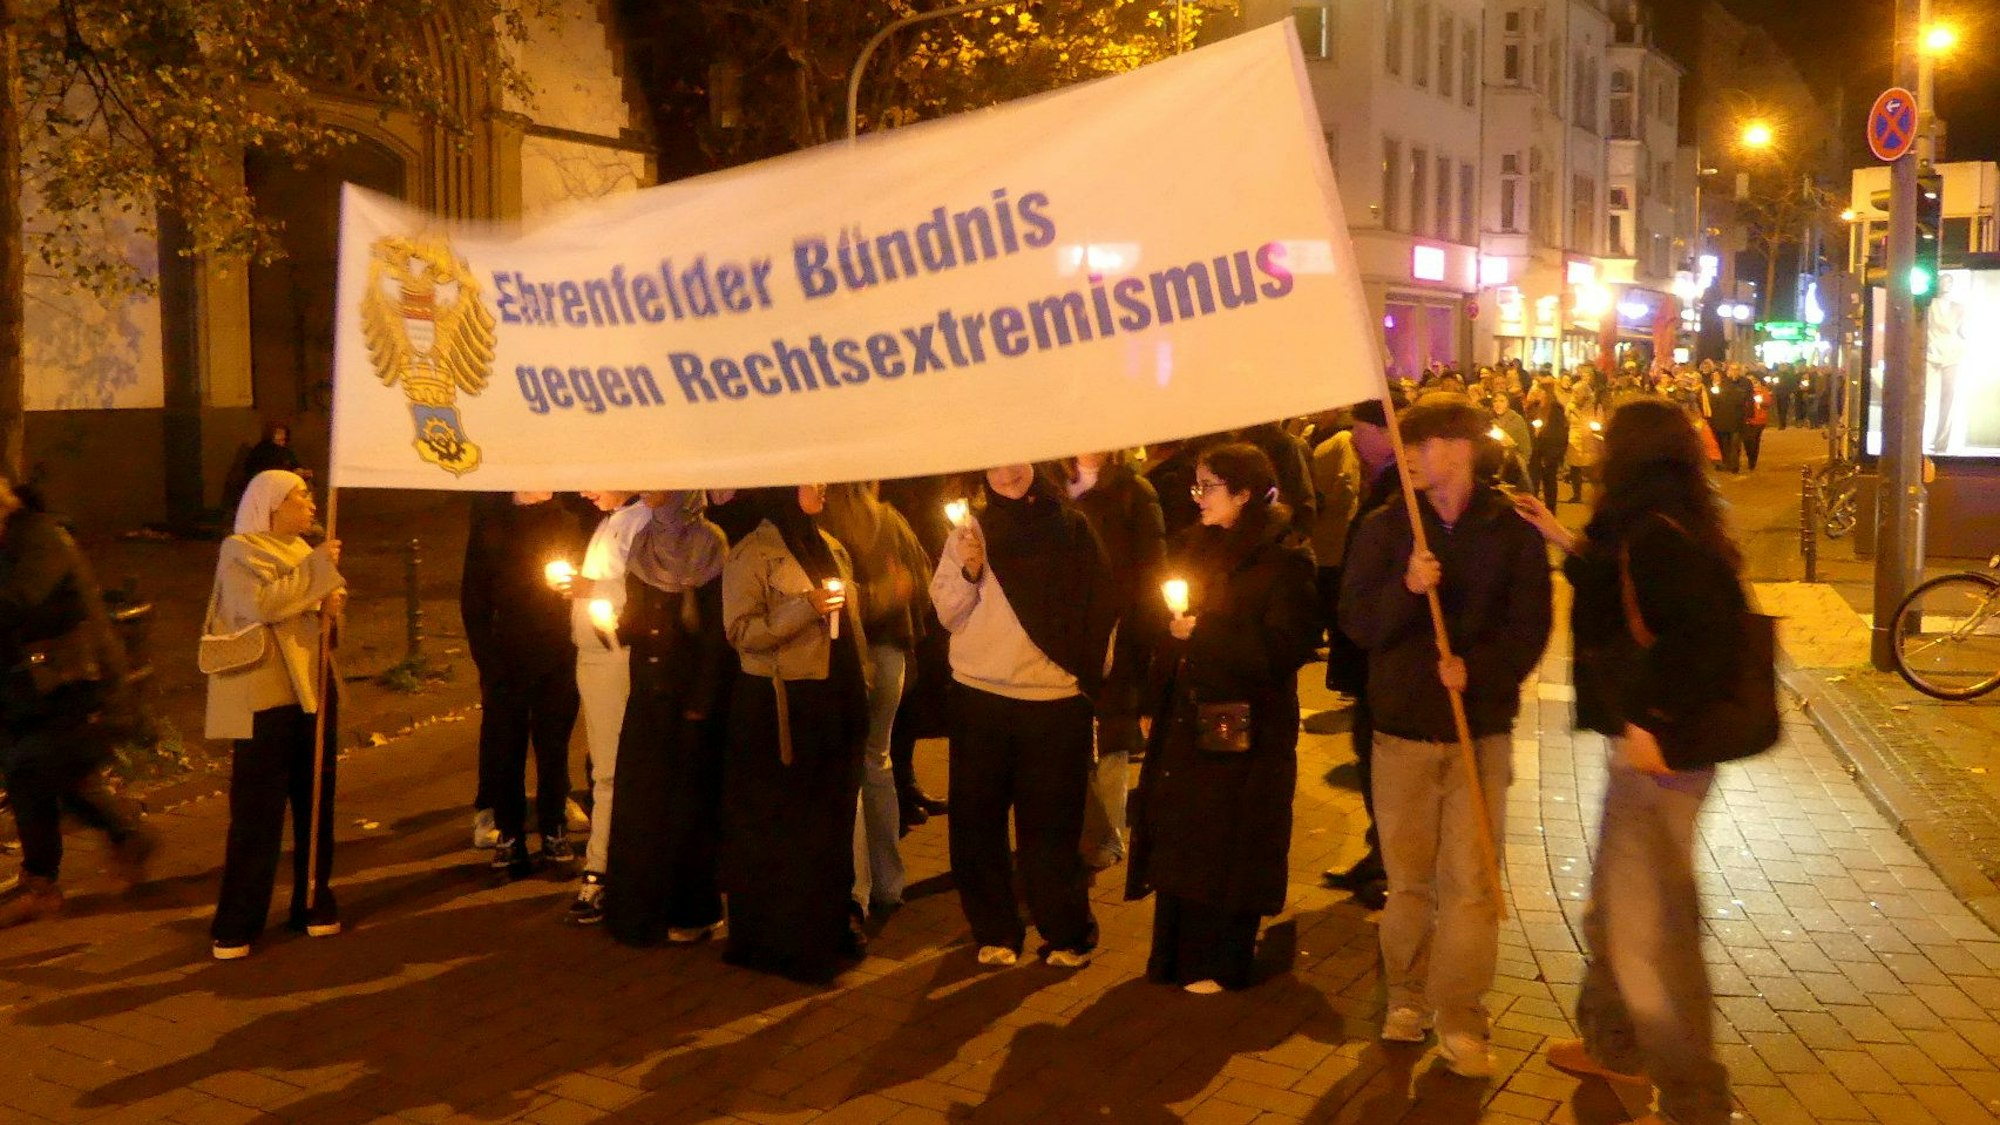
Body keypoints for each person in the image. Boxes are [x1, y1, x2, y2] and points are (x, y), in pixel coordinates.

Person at [1510, 398, 1741, 1125]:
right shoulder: (1652, 521)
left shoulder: (1655, 531)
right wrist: (1562, 541)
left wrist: (1654, 720)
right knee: (1614, 908)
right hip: (1648, 748)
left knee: (1651, 940)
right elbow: (1620, 589)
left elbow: (1704, 634)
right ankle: (1613, 1046)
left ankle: (1693, 1099)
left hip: (1659, 753)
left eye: (1610, 436)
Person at [1339, 395, 1552, 1078]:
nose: (1408, 458)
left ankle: (1460, 1013)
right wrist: (1406, 587)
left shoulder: (1510, 529)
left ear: (1455, 449)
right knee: (1408, 882)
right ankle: (1405, 994)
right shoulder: (1384, 526)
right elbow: (1356, 624)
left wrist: (1479, 672)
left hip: (1477, 734)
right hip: (1401, 730)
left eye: (1420, 445)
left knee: (1471, 885)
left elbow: (1530, 624)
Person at [1127, 443, 1318, 992]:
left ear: (1243, 493)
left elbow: (1286, 647)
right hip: (1187, 712)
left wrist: (1205, 634)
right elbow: (1170, 630)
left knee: (1228, 833)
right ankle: (1174, 954)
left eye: (1208, 487)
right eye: (1197, 486)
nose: (1198, 497)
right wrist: (1153, 702)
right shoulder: (1196, 546)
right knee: (1185, 829)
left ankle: (1221, 958)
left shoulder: (1284, 558)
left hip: (1243, 720)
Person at [932, 464, 1115, 969]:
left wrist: (1088, 678)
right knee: (977, 823)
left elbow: (1099, 606)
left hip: (1052, 699)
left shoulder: (1071, 528)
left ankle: (1066, 932)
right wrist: (968, 572)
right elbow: (947, 613)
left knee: (1051, 827)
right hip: (979, 695)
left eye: (1019, 458)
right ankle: (994, 930)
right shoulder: (970, 532)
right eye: (997, 461)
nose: (1009, 471)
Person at [720, 485, 871, 983]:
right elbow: (741, 632)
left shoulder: (829, 544)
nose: (822, 486)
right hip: (783, 709)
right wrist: (803, 607)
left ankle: (827, 926)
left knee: (830, 821)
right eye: (810, 478)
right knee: (788, 825)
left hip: (834, 700)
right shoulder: (753, 553)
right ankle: (783, 939)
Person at [205, 470, 346, 959]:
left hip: (313, 688)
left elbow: (318, 621)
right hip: (263, 693)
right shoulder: (240, 550)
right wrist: (319, 574)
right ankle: (239, 919)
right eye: (300, 497)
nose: (310, 505)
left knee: (315, 801)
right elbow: (261, 604)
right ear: (272, 504)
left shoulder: (308, 555)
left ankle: (313, 899)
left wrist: (330, 605)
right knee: (256, 810)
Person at [0, 478, 152, 930]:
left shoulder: (40, 536)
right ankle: (124, 836)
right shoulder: (11, 538)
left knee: (33, 769)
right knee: (44, 773)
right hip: (34, 686)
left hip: (76, 681)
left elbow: (20, 599)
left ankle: (42, 884)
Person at [603, 491, 732, 947]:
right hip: (649, 695)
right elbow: (639, 619)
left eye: (661, 486)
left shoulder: (710, 542)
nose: (649, 493)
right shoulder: (644, 541)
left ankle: (692, 908)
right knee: (645, 802)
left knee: (688, 807)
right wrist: (612, 624)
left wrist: (702, 698)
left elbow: (718, 632)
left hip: (689, 701)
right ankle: (642, 906)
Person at [461, 492, 589, 878]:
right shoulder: (493, 523)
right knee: (506, 748)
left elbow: (582, 579)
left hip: (557, 652)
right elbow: (474, 596)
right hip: (506, 657)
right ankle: (510, 836)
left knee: (553, 746)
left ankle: (553, 829)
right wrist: (487, 657)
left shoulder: (568, 522)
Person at [821, 481, 932, 915]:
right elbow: (920, 582)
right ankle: (888, 881)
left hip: (853, 656)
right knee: (878, 763)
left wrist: (873, 598)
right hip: (892, 655)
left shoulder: (824, 527)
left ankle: (856, 885)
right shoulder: (890, 520)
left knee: (850, 767)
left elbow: (833, 603)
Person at [1065, 451, 1166, 871]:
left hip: (1117, 628)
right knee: (1063, 733)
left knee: (1111, 737)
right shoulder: (1049, 486)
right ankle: (1070, 830)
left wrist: (1146, 631)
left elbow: (1150, 568)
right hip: (1062, 629)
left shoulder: (1133, 492)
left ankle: (1106, 837)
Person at [553, 490, 650, 924]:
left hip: (615, 656)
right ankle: (610, 865)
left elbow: (647, 588)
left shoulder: (641, 519)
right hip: (593, 653)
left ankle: (602, 870)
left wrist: (592, 588)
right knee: (604, 767)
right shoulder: (611, 519)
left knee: (611, 769)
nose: (586, 490)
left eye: (594, 478)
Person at [1319, 398, 1400, 911]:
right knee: (1371, 758)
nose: (1353, 440)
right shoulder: (1386, 487)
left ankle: (1388, 864)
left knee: (1382, 764)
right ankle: (1380, 857)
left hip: (1381, 656)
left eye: (1359, 430)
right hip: (1369, 651)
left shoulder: (1399, 496)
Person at [877, 475, 957, 830]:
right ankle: (896, 792)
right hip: (903, 603)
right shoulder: (896, 500)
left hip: (926, 606)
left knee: (913, 702)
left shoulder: (926, 496)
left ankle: (906, 783)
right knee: (898, 704)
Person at [1524, 379, 1569, 513]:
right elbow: (1528, 423)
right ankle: (1534, 510)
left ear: (1546, 392)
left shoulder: (1555, 409)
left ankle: (1550, 512)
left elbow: (1558, 433)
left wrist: (1551, 453)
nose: (1536, 392)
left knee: (1549, 482)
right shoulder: (1534, 406)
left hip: (1549, 452)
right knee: (1533, 482)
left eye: (1539, 390)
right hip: (1535, 451)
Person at [1565, 384, 1606, 505]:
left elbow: (1600, 421)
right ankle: (1576, 494)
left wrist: (1595, 426)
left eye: (1577, 392)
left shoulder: (1594, 405)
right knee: (1575, 468)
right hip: (1575, 439)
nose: (1574, 395)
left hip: (1590, 440)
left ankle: (1598, 494)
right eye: (1574, 392)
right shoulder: (1570, 406)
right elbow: (1566, 420)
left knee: (1591, 469)